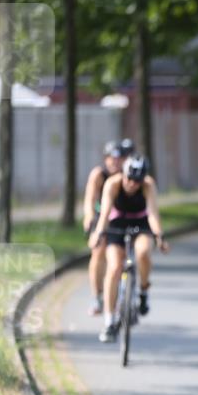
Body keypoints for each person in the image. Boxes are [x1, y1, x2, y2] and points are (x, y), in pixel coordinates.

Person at [88, 155, 170, 343]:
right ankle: (109, 321)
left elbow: (153, 214)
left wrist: (160, 236)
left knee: (142, 252)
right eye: (129, 179)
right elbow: (105, 214)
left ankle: (143, 291)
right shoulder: (112, 184)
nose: (132, 184)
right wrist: (98, 234)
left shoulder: (148, 186)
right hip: (117, 223)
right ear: (123, 175)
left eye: (137, 181)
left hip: (140, 222)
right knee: (114, 267)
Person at [82, 141, 123, 315]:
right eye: (111, 158)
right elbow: (90, 198)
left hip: (121, 217)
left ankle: (124, 290)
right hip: (101, 216)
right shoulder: (99, 175)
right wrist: (89, 216)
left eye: (118, 159)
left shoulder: (127, 176)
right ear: (106, 159)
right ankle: (97, 296)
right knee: (98, 251)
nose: (115, 162)